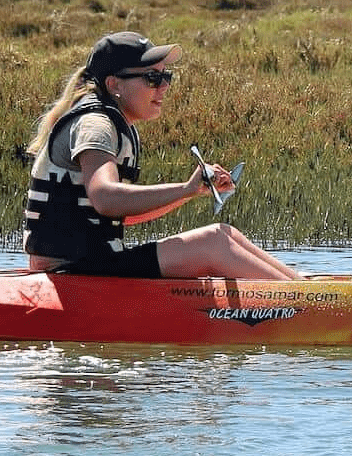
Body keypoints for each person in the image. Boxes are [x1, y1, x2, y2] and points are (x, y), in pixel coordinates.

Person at [23, 31, 309, 280]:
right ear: (114, 85)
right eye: (152, 78)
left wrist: (190, 192)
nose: (164, 86)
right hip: (70, 270)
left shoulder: (114, 123)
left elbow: (116, 214)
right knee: (213, 243)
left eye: (165, 76)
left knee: (224, 234)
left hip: (91, 262)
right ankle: (309, 306)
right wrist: (184, 188)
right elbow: (106, 199)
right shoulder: (96, 126)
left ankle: (307, 291)